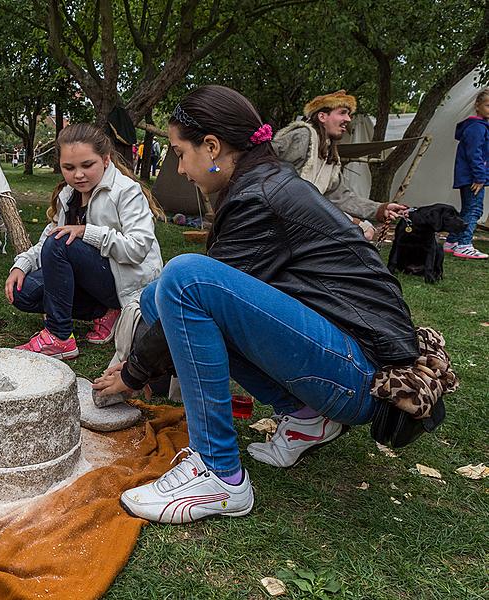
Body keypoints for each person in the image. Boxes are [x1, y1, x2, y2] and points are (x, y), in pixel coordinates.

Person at [93, 85, 418, 523]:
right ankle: (306, 417)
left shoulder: (257, 196)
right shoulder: (260, 183)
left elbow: (192, 293)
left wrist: (131, 375)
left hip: (364, 375)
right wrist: (136, 367)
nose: (181, 168)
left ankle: (218, 473)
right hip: (345, 357)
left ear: (211, 146)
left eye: (179, 153)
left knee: (184, 278)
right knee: (158, 297)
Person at [5, 123, 164, 360]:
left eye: (87, 165)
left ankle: (59, 337)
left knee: (60, 244)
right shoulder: (68, 195)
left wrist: (87, 232)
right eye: (69, 167)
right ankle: (103, 312)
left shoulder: (126, 191)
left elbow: (137, 248)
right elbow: (48, 238)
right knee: (22, 292)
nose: (78, 174)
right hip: (93, 278)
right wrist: (22, 264)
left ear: (106, 160)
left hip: (125, 282)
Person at [272, 90, 407, 240]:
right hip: (276, 223)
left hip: (298, 226)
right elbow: (265, 163)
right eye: (342, 113)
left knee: (361, 234)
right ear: (322, 116)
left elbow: (342, 197)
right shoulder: (303, 136)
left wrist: (380, 209)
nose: (348, 119)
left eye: (349, 114)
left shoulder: (330, 154)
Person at [445, 88, 489, 259]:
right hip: (473, 178)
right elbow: (474, 154)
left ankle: (452, 241)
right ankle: (464, 244)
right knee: (474, 210)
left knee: (468, 209)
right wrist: (480, 177)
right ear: (477, 106)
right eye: (487, 105)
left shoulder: (481, 126)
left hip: (472, 176)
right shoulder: (477, 127)